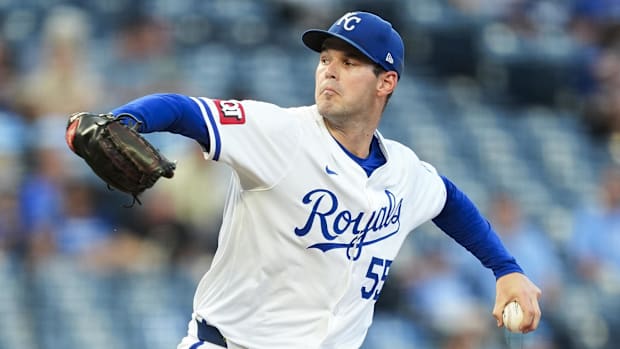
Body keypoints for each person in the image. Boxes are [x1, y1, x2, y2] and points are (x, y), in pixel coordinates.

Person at [68, 11, 542, 349]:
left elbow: (448, 200)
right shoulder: (281, 134)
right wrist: (125, 120)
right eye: (326, 59)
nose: (330, 70)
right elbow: (184, 109)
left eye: (350, 63)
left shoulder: (402, 171)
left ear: (386, 83)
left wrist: (506, 269)